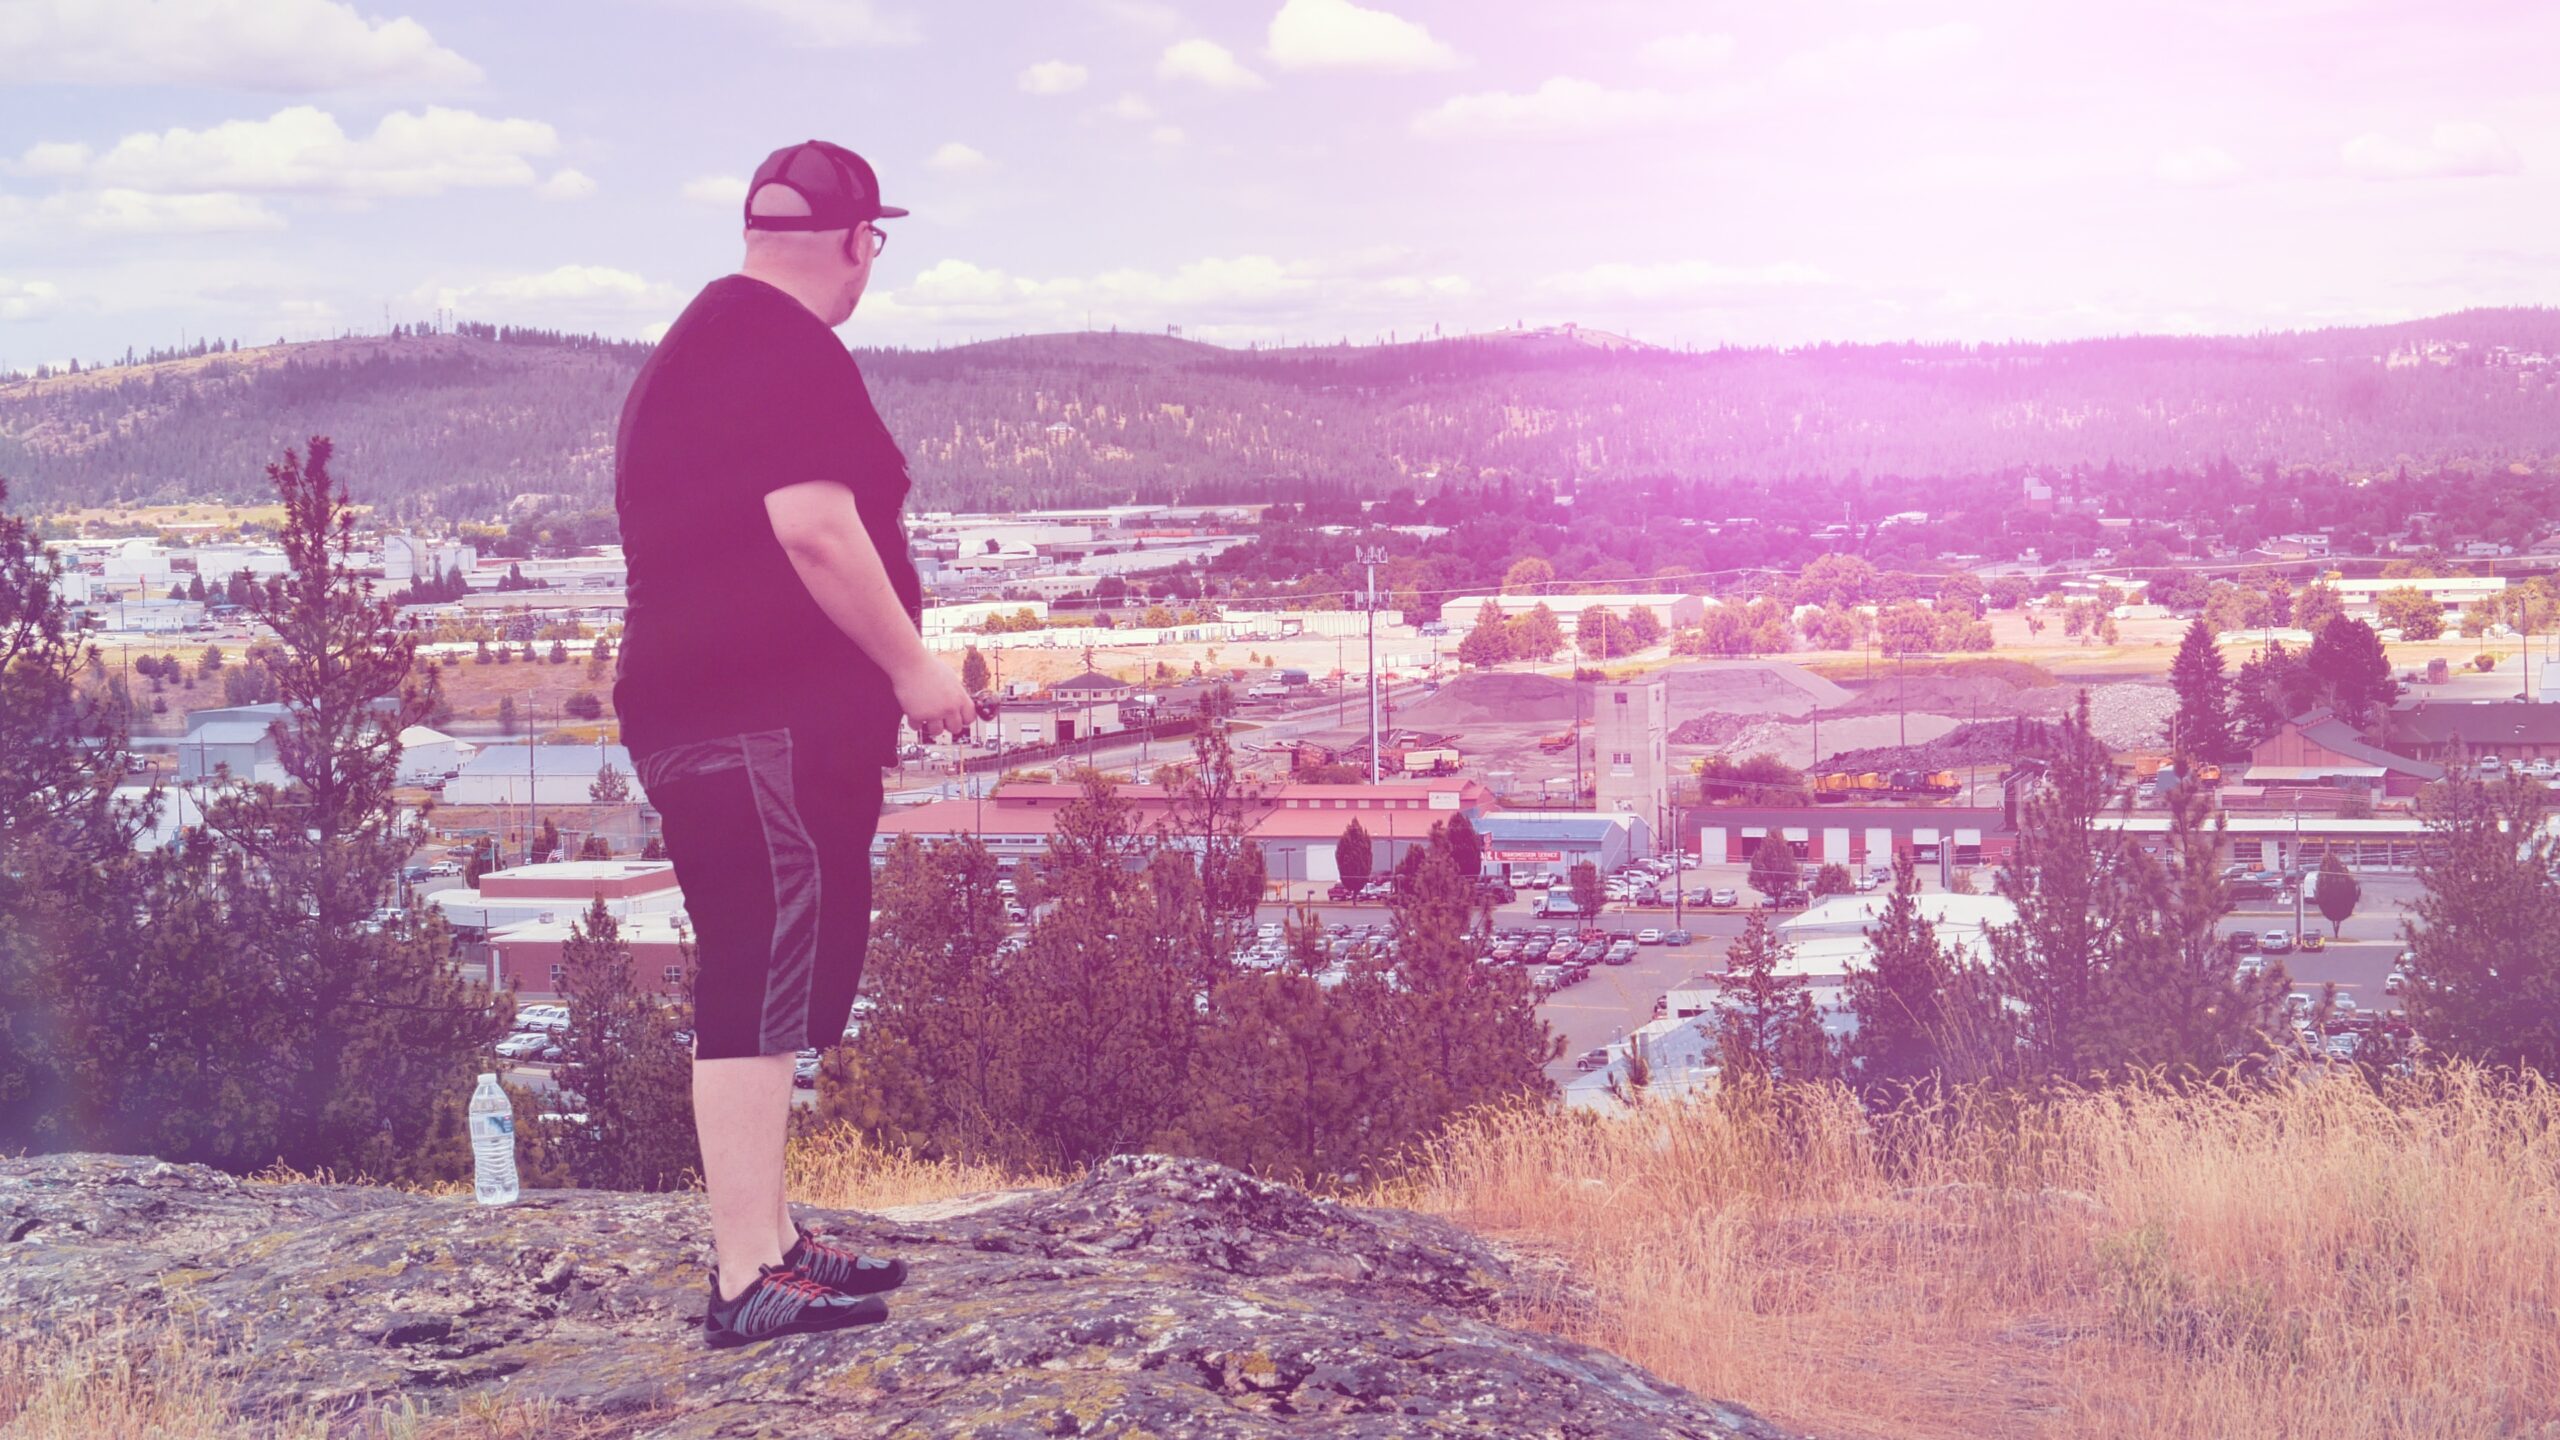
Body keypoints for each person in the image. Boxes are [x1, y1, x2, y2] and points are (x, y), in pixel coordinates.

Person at [612, 139, 977, 1348]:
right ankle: (742, 1278)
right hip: (746, 722)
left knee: (771, 968)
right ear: (861, 241)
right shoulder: (783, 347)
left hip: (727, 717)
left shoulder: (713, 338)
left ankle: (771, 1241)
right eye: (875, 244)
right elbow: (816, 528)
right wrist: (913, 668)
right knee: (754, 968)